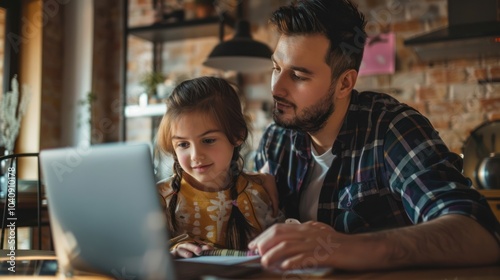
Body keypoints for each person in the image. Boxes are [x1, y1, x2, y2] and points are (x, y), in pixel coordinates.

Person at [248, 0, 500, 272]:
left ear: (344, 83)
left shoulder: (392, 129)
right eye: (276, 68)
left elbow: (478, 233)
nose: (277, 88)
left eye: (298, 76)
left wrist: (344, 246)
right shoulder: (277, 138)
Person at [156, 76, 284, 258]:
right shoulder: (159, 199)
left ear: (238, 135)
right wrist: (171, 251)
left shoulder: (259, 194)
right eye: (183, 144)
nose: (195, 156)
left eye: (208, 140)